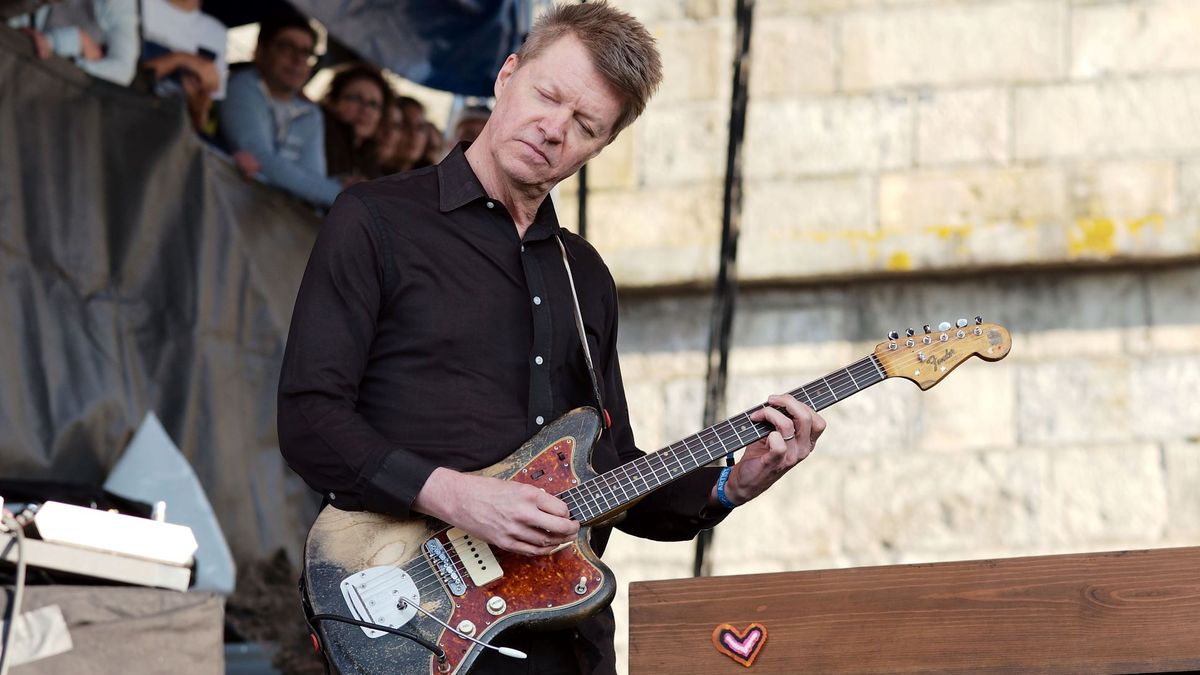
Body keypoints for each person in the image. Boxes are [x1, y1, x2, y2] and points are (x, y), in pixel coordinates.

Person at [277, 2, 825, 672]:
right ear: (508, 75)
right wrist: (457, 495)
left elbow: (609, 465)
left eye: (585, 123)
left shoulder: (583, 273)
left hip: (567, 642)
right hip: (414, 616)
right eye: (547, 95)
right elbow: (309, 416)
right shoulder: (375, 221)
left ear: (601, 145)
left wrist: (729, 485)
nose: (554, 129)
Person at [217, 11, 345, 207]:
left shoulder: (311, 114)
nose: (297, 60)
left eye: (306, 52)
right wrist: (342, 195)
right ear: (260, 51)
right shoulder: (240, 87)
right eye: (287, 47)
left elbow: (312, 179)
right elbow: (261, 160)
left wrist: (332, 191)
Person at [139, 0, 227, 133]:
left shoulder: (217, 32)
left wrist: (198, 104)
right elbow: (118, 76)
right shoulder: (138, 5)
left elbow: (201, 122)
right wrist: (181, 60)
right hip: (129, 115)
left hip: (171, 136)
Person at [8, 0, 139, 85]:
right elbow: (12, 25)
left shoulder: (120, 4)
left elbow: (123, 71)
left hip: (56, 86)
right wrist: (85, 47)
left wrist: (67, 44)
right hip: (21, 66)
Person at [320, 63, 391, 181]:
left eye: (374, 104)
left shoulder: (371, 159)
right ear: (332, 102)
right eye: (356, 99)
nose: (365, 110)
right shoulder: (318, 140)